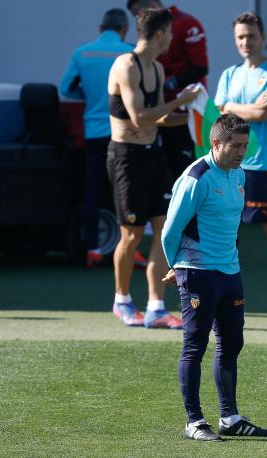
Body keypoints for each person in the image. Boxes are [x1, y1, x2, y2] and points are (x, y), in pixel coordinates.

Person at [161, 114, 267, 442]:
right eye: (236, 146)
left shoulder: (239, 174)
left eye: (245, 145)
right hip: (198, 271)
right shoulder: (198, 177)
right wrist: (176, 266)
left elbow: (231, 225)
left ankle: (230, 418)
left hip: (229, 271)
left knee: (232, 342)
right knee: (194, 345)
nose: (242, 152)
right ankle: (195, 421)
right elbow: (170, 229)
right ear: (216, 144)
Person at [107, 8, 199, 329]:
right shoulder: (125, 65)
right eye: (170, 34)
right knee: (131, 234)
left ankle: (156, 307)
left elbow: (159, 118)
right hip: (126, 157)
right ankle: (122, 301)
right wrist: (177, 102)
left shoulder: (157, 69)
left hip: (152, 154)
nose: (172, 39)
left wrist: (195, 113)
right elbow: (139, 117)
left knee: (164, 230)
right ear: (159, 34)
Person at [215, 12, 267, 320]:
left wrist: (233, 108)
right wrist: (243, 109)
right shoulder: (229, 74)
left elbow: (263, 114)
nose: (245, 42)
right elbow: (221, 113)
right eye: (240, 37)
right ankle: (223, 296)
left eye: (251, 36)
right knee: (225, 230)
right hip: (227, 166)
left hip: (261, 164)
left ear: (263, 37)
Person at [59, 9, 134, 266]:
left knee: (91, 190)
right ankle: (130, 247)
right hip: (122, 133)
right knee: (124, 191)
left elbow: (65, 87)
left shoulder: (82, 52)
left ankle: (91, 248)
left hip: (92, 132)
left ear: (101, 28)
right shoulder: (129, 52)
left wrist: (90, 98)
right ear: (124, 29)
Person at [126, 0, 209, 183]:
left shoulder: (186, 23)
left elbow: (201, 67)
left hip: (179, 113)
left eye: (138, 11)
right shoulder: (132, 63)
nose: (138, 18)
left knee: (186, 172)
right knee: (167, 173)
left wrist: (169, 86)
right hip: (159, 113)